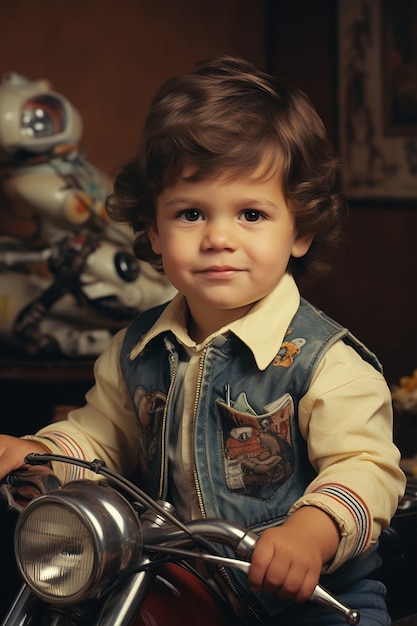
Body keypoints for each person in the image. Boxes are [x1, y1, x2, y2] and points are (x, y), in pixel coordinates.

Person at [0, 56, 405, 625]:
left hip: (309, 596)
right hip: (177, 583)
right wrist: (39, 453)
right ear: (152, 231)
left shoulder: (327, 364)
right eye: (191, 213)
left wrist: (311, 534)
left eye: (251, 214)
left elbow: (366, 467)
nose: (218, 237)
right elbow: (98, 439)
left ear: (302, 229)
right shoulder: (136, 349)